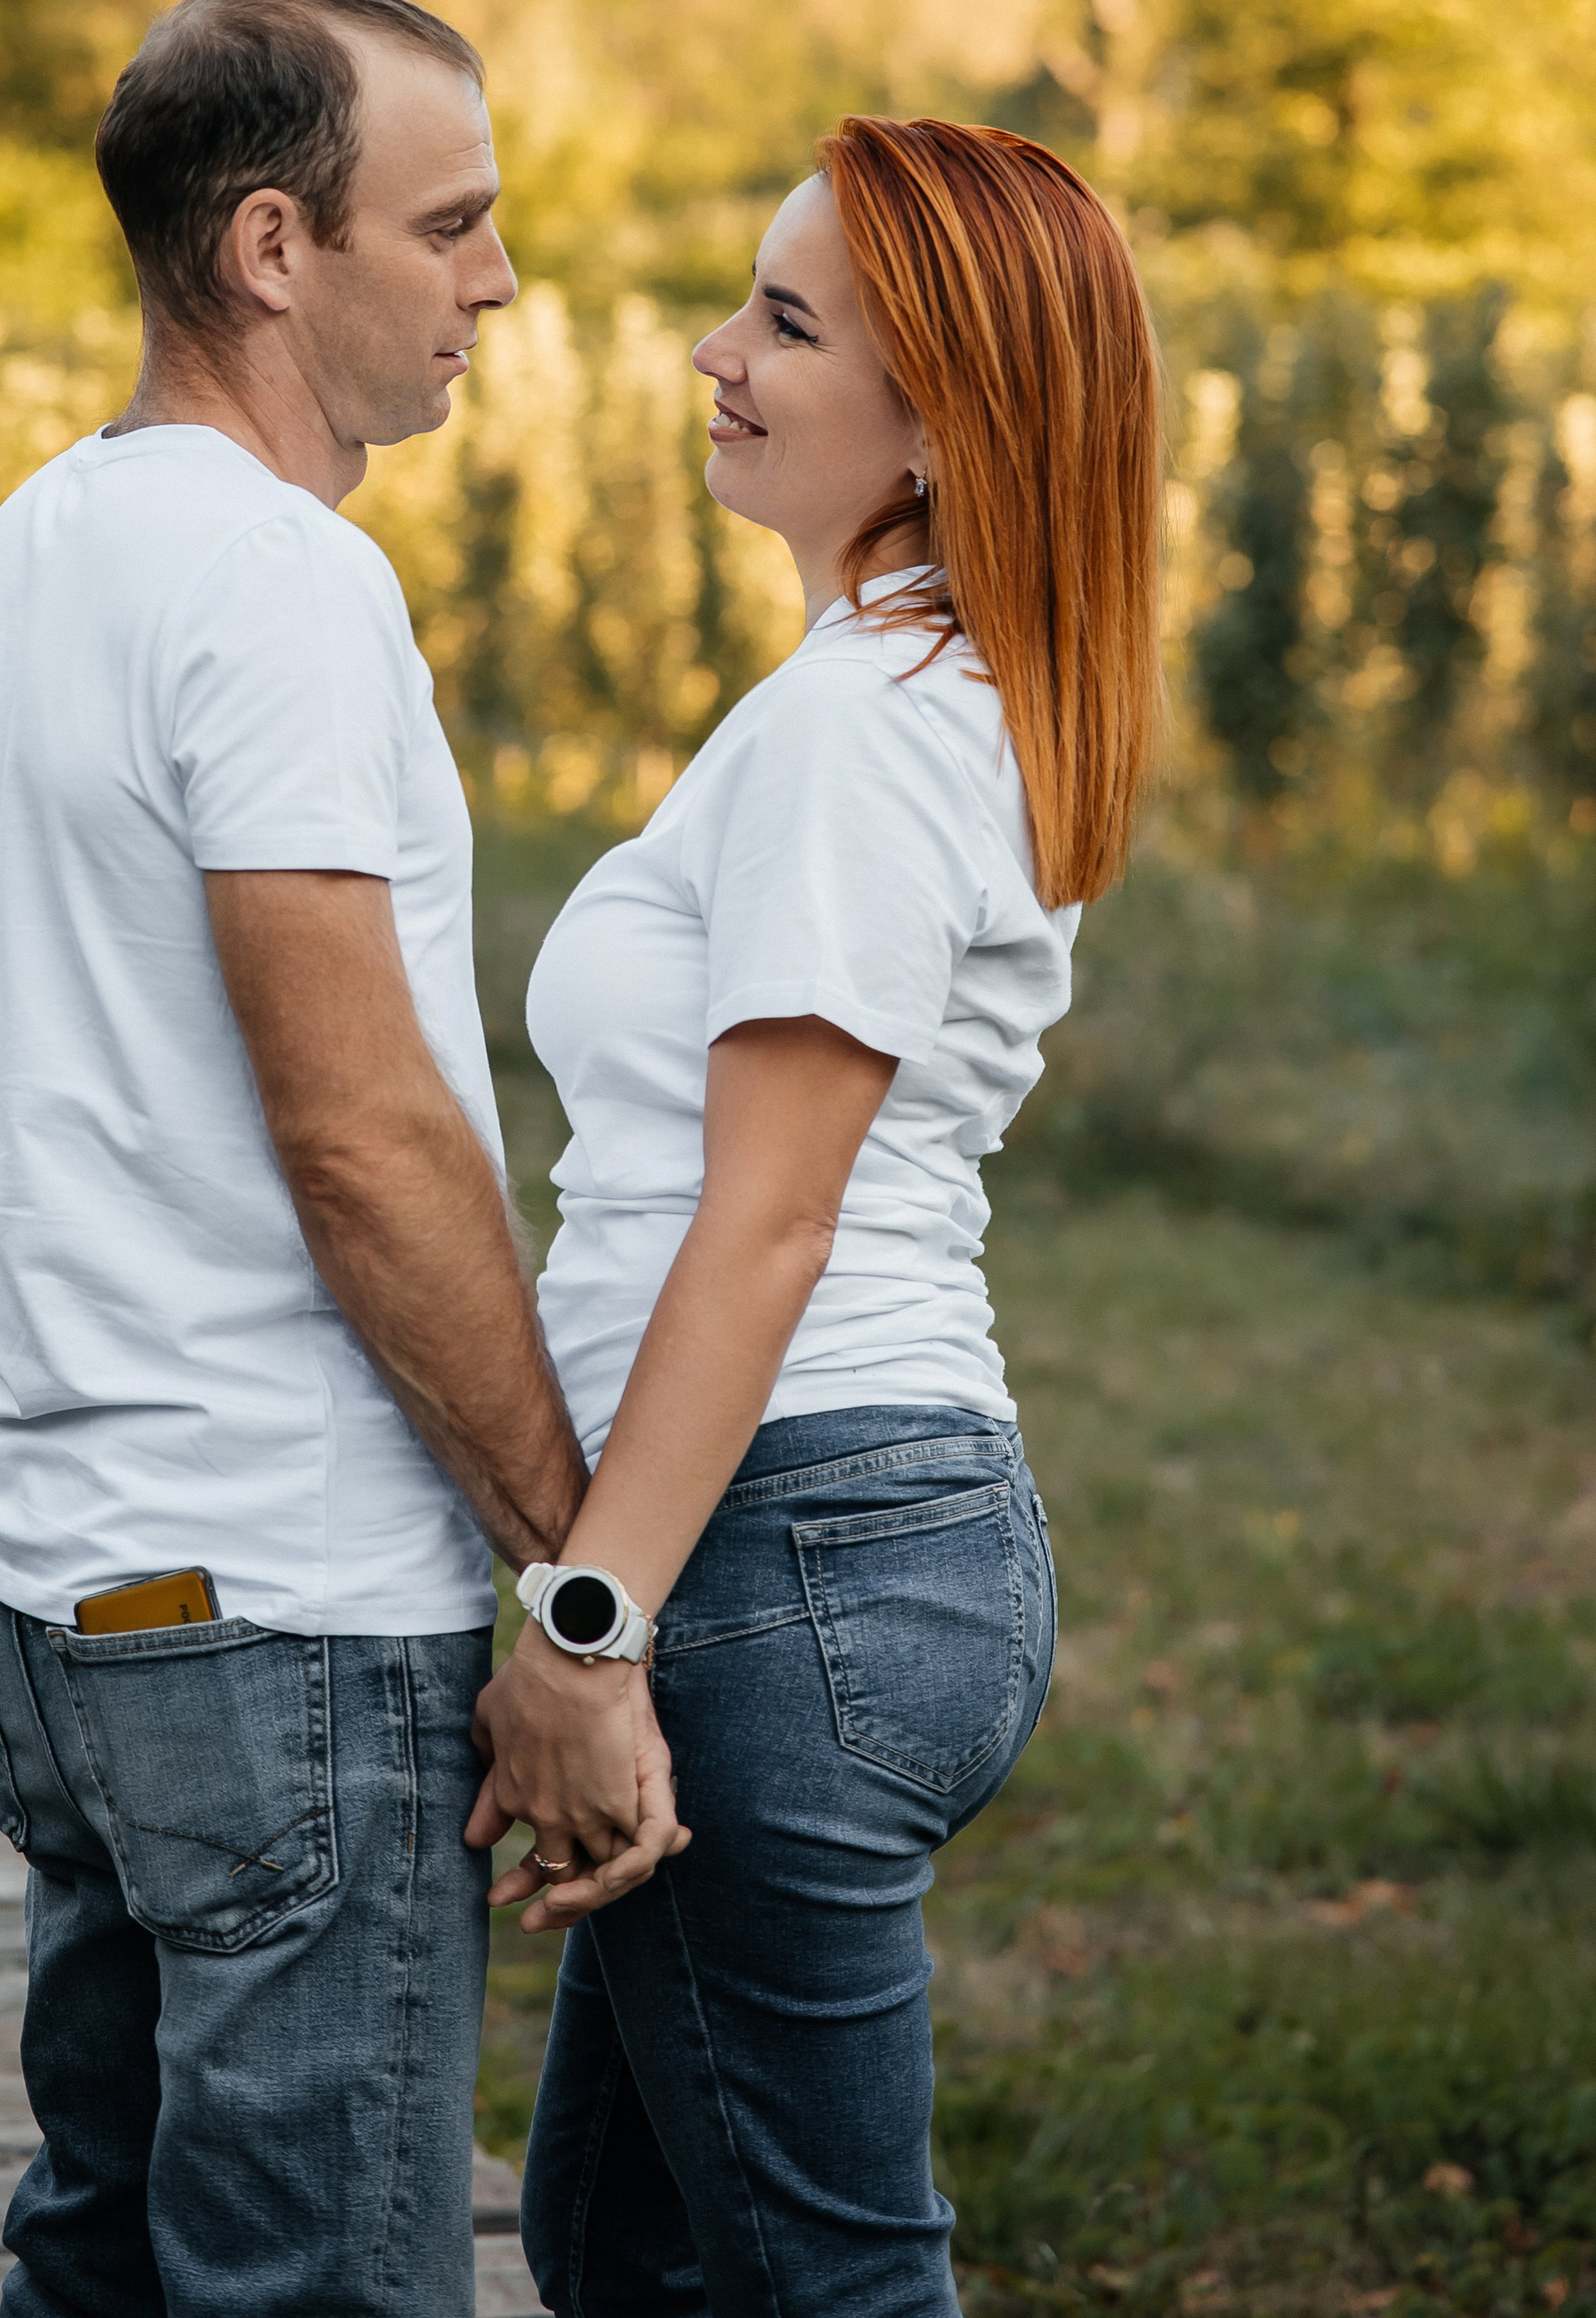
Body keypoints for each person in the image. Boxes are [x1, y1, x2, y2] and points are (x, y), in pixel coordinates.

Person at [0, 0, 681, 2318]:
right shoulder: (281, 582)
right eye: (447, 224)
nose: (496, 281)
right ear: (273, 247)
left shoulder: (24, 552)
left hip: (66, 1597)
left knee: (107, 2249)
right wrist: (585, 1587)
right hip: (274, 1609)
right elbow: (365, 1133)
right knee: (322, 2283)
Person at [469, 116, 1165, 2317]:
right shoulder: (910, 698)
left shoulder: (864, 731)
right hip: (842, 1545)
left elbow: (770, 1221)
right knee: (621, 2239)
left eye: (784, 322)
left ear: (947, 419)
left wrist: (589, 1628)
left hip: (783, 1562)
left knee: (821, 2282)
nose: (713, 353)